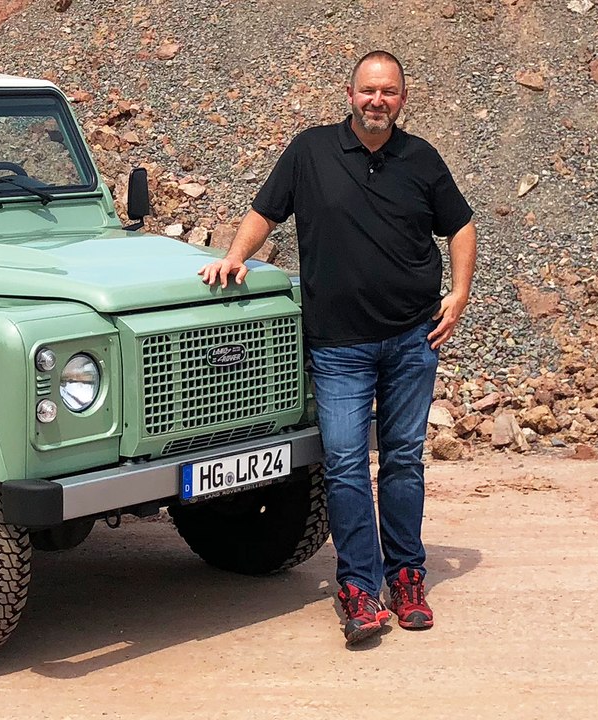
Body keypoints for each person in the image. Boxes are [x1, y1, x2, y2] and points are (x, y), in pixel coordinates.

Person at [198, 50, 477, 646]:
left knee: (403, 460)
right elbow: (264, 212)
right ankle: (359, 589)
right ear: (349, 93)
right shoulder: (310, 152)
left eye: (390, 92)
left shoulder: (421, 158)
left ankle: (406, 577)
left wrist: (459, 293)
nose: (379, 101)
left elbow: (460, 225)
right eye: (369, 90)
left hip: (411, 339)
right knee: (347, 466)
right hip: (339, 347)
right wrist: (234, 257)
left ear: (403, 98)